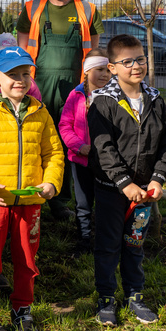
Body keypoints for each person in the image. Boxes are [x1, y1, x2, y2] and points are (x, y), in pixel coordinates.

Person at [0, 47, 65, 331]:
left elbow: (54, 152)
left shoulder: (40, 111)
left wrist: (51, 183)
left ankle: (22, 310)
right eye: (11, 74)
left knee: (27, 261)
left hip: (30, 204)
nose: (19, 80)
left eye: (24, 73)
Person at [88, 35, 166, 327]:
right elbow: (104, 149)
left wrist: (158, 179)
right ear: (112, 68)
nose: (136, 66)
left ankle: (135, 295)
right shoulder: (103, 102)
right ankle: (106, 298)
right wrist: (125, 183)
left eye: (140, 59)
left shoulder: (156, 99)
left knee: (134, 243)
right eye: (127, 61)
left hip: (145, 193)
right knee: (109, 245)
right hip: (113, 190)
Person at [16, 0, 104, 221]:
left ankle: (60, 200)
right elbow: (23, 51)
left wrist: (89, 88)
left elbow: (95, 55)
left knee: (68, 142)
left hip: (75, 89)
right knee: (38, 140)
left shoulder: (87, 10)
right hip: (38, 86)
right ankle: (32, 193)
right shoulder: (32, 9)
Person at [59, 49, 111, 255]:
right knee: (83, 202)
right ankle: (84, 239)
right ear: (87, 71)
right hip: (82, 160)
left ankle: (105, 240)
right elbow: (65, 126)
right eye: (99, 69)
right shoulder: (76, 95)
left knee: (106, 201)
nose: (105, 74)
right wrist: (80, 146)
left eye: (108, 70)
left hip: (108, 162)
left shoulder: (115, 96)